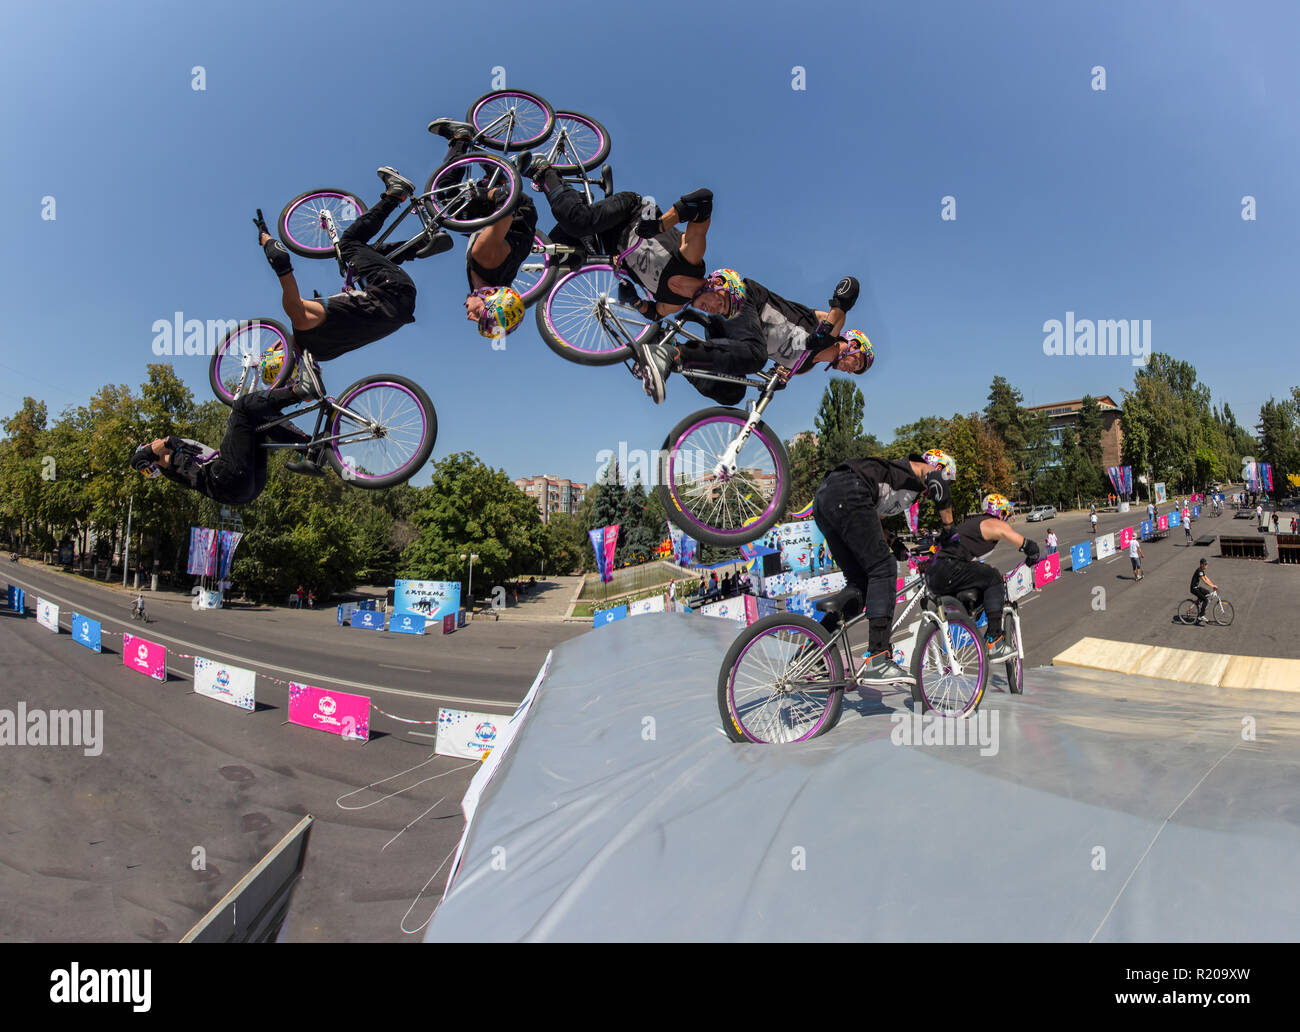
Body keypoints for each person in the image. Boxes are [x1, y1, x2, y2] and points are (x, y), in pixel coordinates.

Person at [812, 449, 957, 684]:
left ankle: (811, 651)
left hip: (827, 500)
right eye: (946, 479)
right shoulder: (922, 470)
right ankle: (879, 657)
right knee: (884, 567)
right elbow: (937, 481)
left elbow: (870, 518)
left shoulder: (902, 487)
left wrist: (894, 542)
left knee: (860, 589)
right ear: (939, 468)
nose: (933, 494)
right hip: (847, 490)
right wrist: (949, 531)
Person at [257, 167, 422, 365]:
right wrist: (266, 239)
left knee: (358, 262)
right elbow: (280, 258)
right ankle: (395, 194)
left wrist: (345, 293)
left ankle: (417, 246)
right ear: (278, 348)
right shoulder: (301, 318)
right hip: (391, 288)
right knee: (349, 244)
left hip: (400, 308)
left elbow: (353, 317)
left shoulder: (321, 355)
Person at [638, 270, 869, 404]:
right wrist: (827, 325)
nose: (851, 369)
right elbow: (849, 289)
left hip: (738, 338)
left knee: (733, 392)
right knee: (756, 355)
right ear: (851, 345)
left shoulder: (805, 366)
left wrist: (777, 379)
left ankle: (667, 344)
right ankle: (670, 353)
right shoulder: (830, 328)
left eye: (855, 370)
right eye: (856, 361)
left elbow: (780, 372)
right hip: (744, 302)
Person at [129, 383, 317, 503]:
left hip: (246, 491)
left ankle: (308, 446)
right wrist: (168, 441)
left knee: (257, 417)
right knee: (242, 407)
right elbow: (139, 459)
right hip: (224, 478)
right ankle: (298, 392)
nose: (154, 441)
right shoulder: (163, 460)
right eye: (149, 443)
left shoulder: (176, 461)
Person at [927, 493, 1040, 661]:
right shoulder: (993, 523)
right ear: (1000, 513)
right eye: (1006, 512)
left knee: (979, 578)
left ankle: (971, 610)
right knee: (993, 577)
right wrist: (1033, 550)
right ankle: (995, 640)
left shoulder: (972, 523)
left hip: (936, 574)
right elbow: (1020, 541)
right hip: (950, 568)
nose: (1008, 517)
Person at [1190, 558, 1218, 625]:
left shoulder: (1202, 570)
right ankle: (1201, 616)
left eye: (1207, 564)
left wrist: (1213, 584)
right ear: (1202, 564)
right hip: (1194, 589)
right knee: (1206, 600)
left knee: (1207, 592)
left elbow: (1207, 578)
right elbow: (1205, 581)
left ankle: (1200, 603)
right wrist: (1212, 586)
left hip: (1197, 587)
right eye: (1205, 564)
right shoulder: (1199, 571)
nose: (1206, 565)